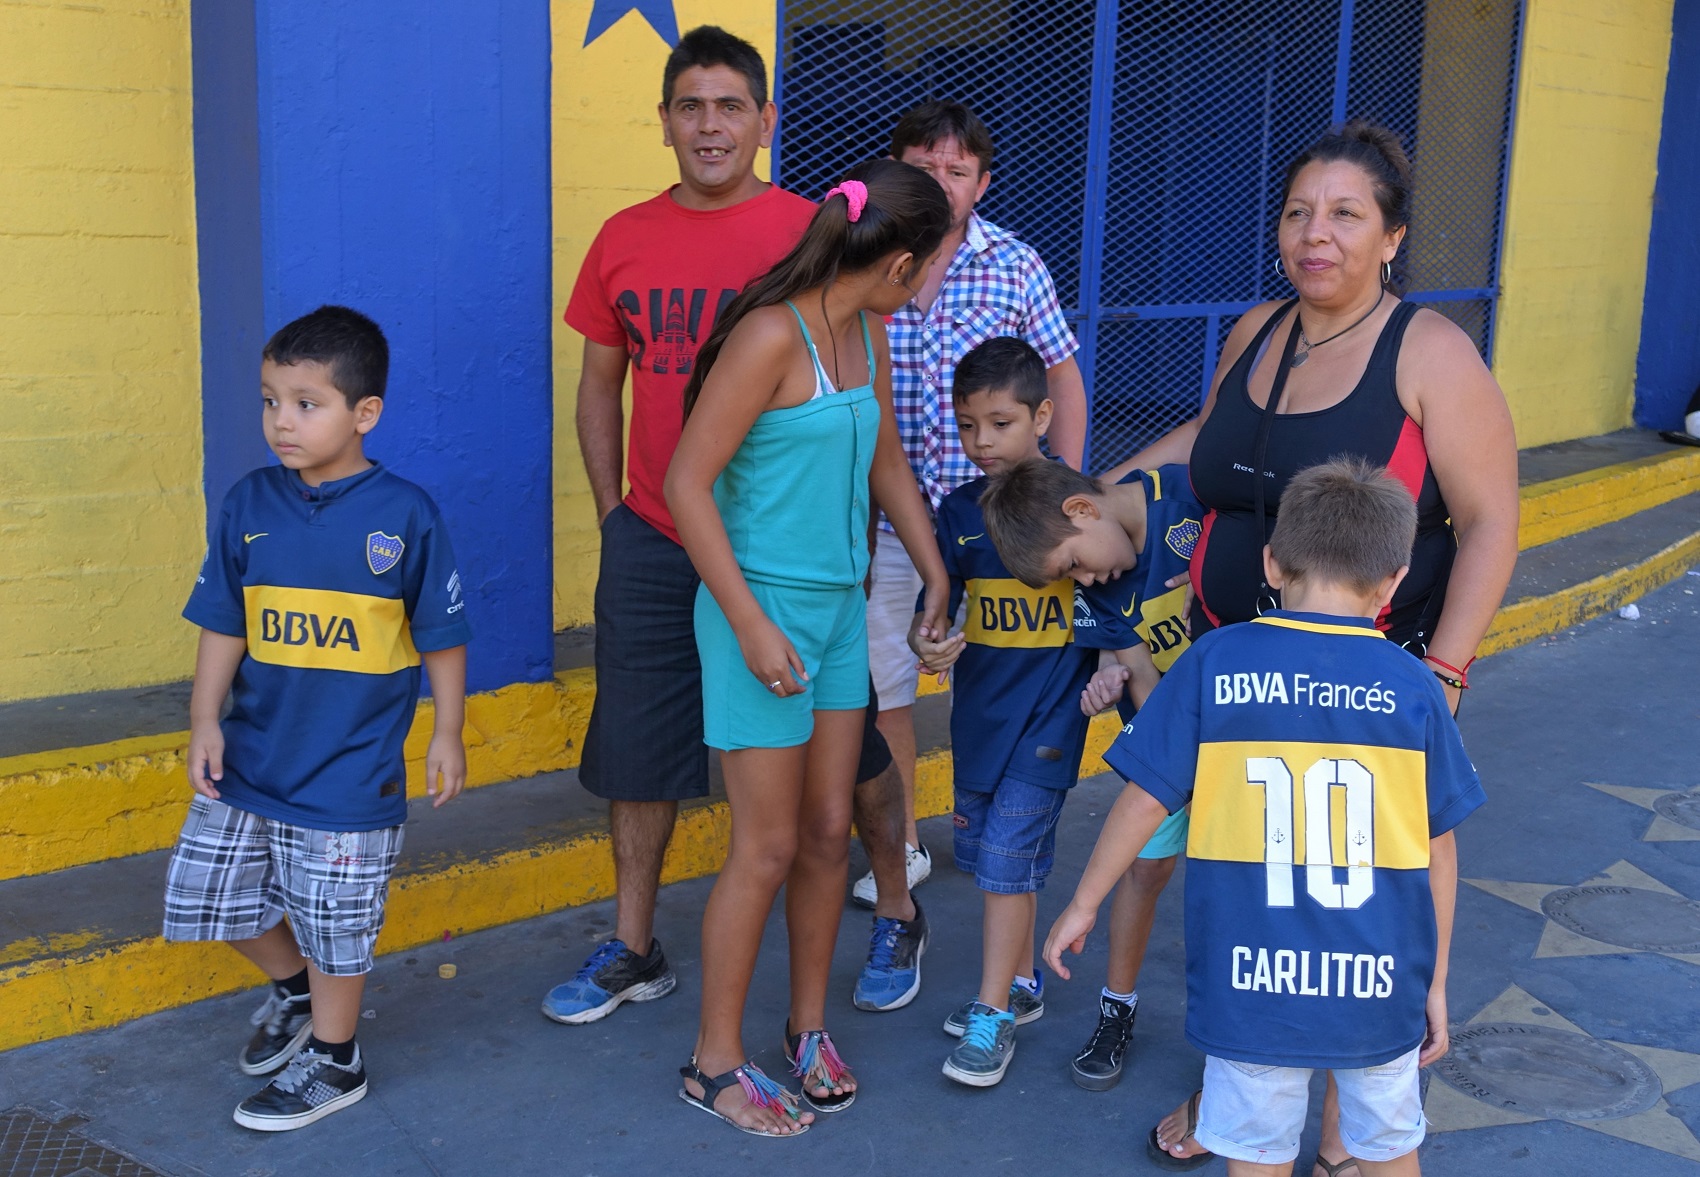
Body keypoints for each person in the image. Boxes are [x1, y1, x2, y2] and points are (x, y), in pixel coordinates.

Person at [1104, 122, 1517, 1174]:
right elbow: (1204, 447)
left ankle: (1341, 1122)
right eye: (1296, 212)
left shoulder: (1429, 353)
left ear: (1392, 237)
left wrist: (1442, 674)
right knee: (1250, 883)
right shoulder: (1257, 331)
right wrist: (1103, 490)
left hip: (1371, 682)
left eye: (1343, 214)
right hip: (1240, 676)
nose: (1312, 233)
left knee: (1357, 898)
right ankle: (1242, 1082)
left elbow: (1489, 524)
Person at [1046, 459, 1484, 1177]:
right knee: (1389, 1153)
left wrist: (1083, 903)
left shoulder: (1216, 660)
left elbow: (1146, 798)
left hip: (1247, 986)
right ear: (1393, 582)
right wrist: (1432, 983)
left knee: (1254, 1156)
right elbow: (1440, 849)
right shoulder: (1415, 685)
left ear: (1272, 563)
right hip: (1377, 989)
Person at [664, 160, 953, 1135]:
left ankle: (807, 1027)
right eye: (931, 266)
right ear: (900, 262)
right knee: (768, 844)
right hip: (760, 612)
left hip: (837, 613)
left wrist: (932, 570)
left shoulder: (865, 331)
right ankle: (711, 1062)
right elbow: (686, 483)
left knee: (830, 829)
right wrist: (749, 622)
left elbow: (884, 461)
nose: (929, 282)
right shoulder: (769, 336)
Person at [547, 26, 819, 1024]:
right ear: (663, 121)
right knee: (637, 746)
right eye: (690, 106)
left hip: (777, 542)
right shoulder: (622, 236)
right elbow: (598, 385)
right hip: (657, 536)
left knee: (841, 741)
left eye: (729, 105)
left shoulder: (811, 235)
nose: (710, 125)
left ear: (765, 120)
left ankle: (893, 904)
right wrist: (613, 512)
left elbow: (849, 384)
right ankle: (632, 945)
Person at [165, 305, 471, 1131]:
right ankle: (296, 990)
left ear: (364, 412)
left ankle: (336, 1060)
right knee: (210, 895)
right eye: (271, 400)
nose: (282, 421)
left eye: (307, 403)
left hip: (350, 772)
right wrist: (204, 716)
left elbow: (442, 635)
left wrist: (446, 731)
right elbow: (223, 620)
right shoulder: (249, 502)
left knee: (338, 925)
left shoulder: (404, 514)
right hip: (251, 758)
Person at [854, 101, 1089, 911]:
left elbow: (1060, 374)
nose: (941, 183)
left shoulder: (1015, 264)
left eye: (957, 170)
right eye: (924, 167)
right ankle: (903, 844)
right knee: (887, 684)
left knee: (992, 674)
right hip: (891, 525)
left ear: (983, 183)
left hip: (997, 526)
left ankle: (989, 822)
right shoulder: (867, 262)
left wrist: (1063, 492)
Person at [901, 339, 1139, 1087]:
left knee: (1005, 863)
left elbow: (1117, 603)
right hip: (980, 722)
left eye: (1000, 423)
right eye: (967, 425)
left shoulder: (1077, 505)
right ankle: (1023, 984)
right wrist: (929, 641)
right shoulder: (958, 513)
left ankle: (993, 1010)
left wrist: (1112, 668)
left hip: (1048, 727)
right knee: (1000, 864)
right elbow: (936, 607)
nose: (982, 441)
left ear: (1041, 416)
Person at [979, 455, 1204, 1092]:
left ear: (1082, 510)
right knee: (1144, 869)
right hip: (1172, 747)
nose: (1083, 580)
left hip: (1247, 731)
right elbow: (1146, 680)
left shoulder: (1191, 493)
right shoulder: (1102, 592)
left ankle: (1236, 1027)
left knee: (1233, 879)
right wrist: (1116, 677)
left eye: (1075, 563)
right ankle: (1116, 1008)